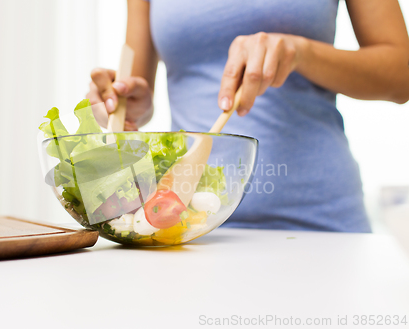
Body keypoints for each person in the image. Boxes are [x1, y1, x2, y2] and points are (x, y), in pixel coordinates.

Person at [87, 0, 409, 233]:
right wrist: (126, 101)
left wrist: (301, 52)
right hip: (192, 229)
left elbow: (401, 75)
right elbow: (138, 90)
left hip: (321, 224)